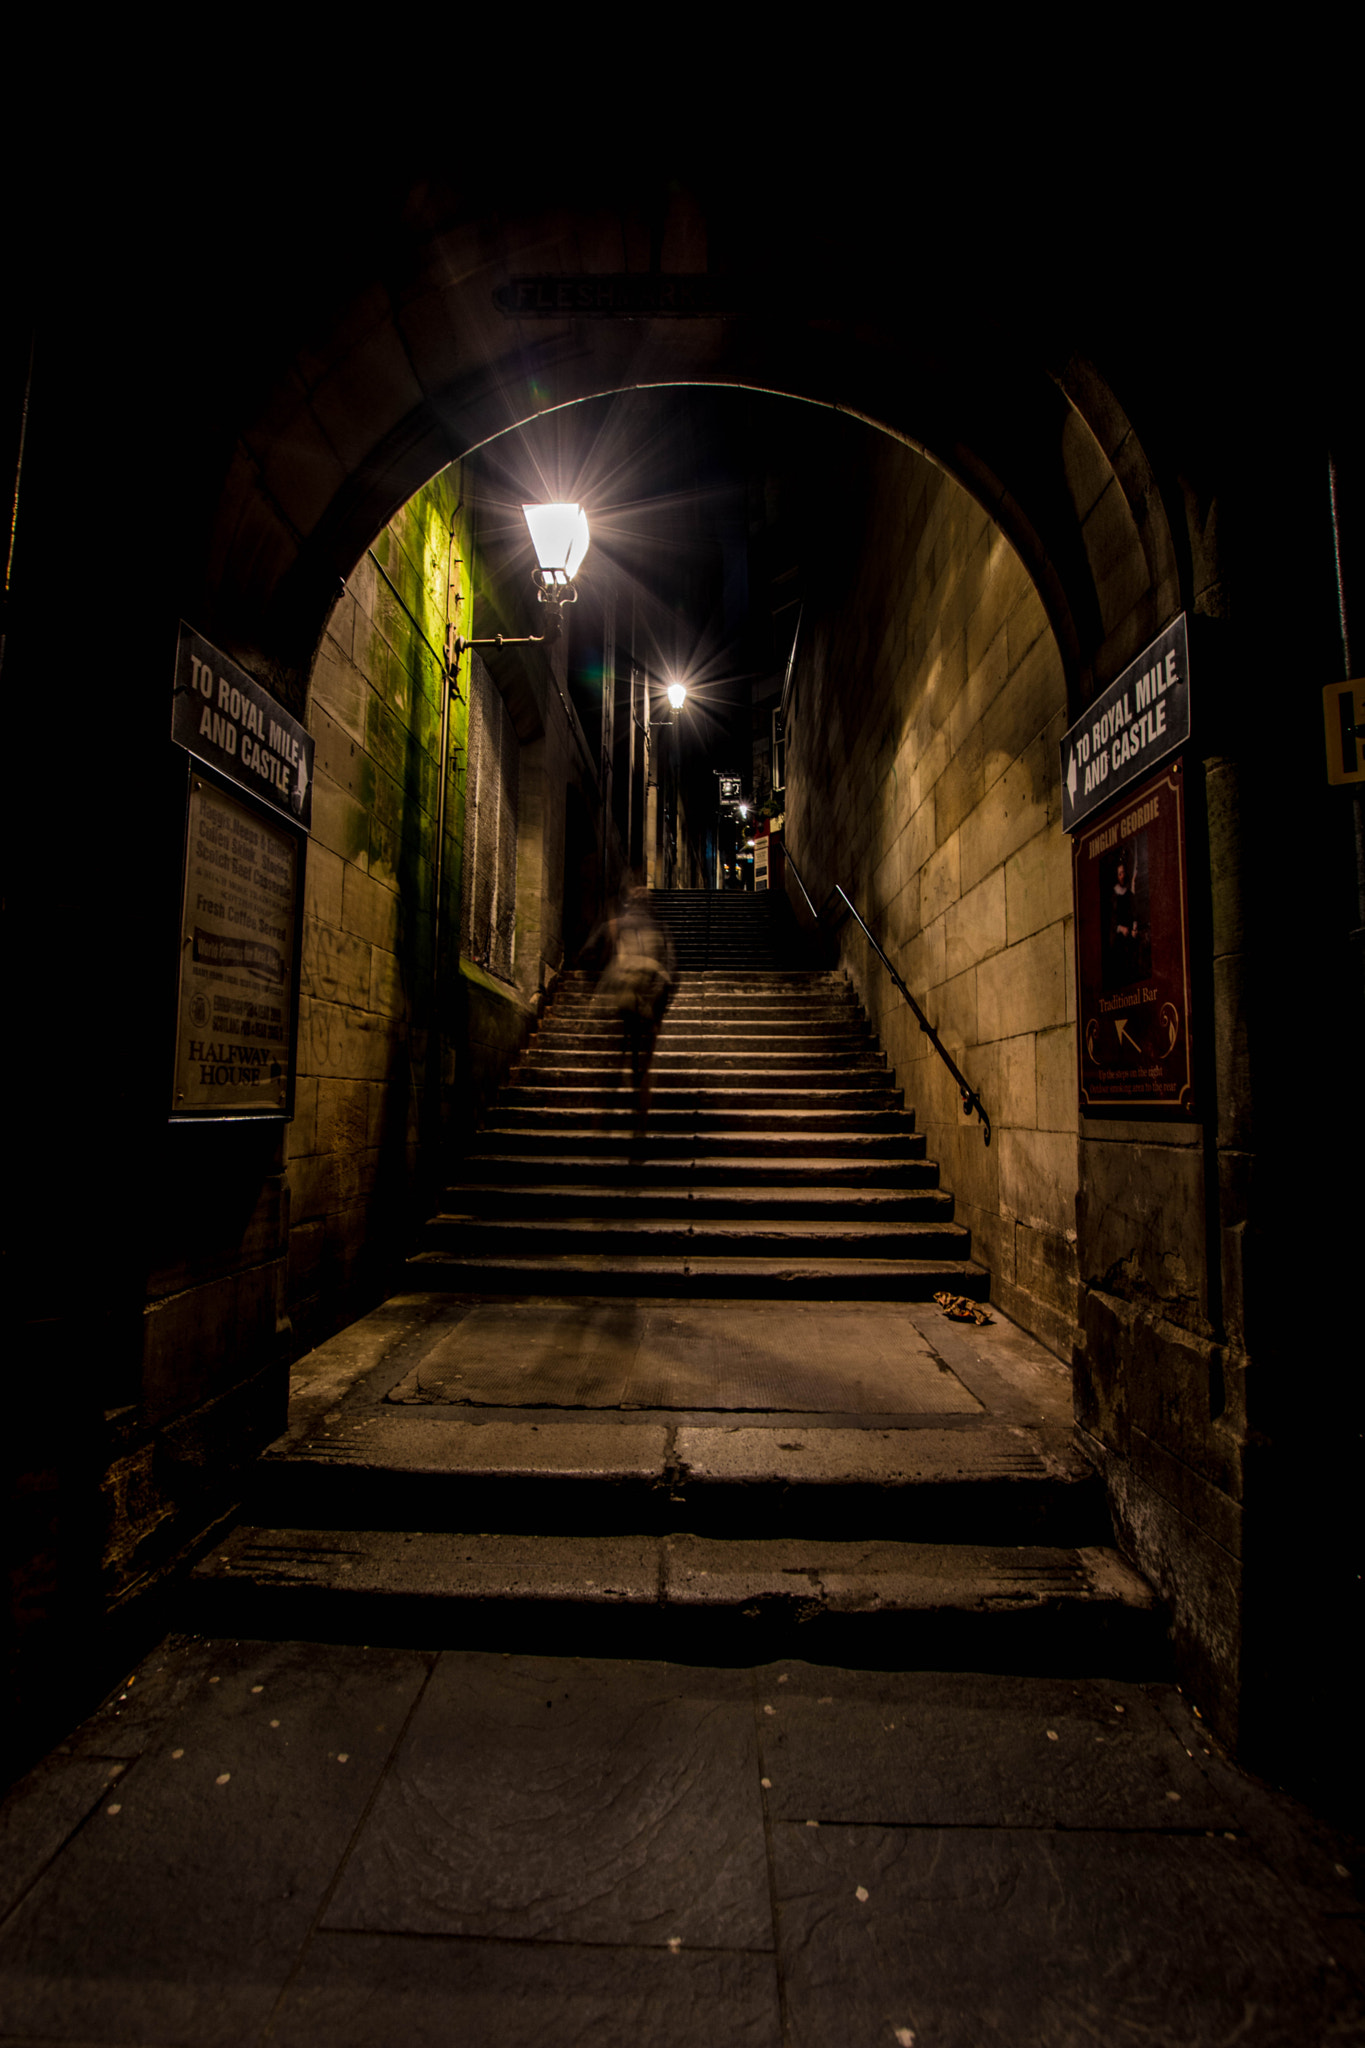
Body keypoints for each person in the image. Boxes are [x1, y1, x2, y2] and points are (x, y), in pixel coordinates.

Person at [595, 879, 673, 1122]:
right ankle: (641, 1110)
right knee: (646, 1057)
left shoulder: (615, 925)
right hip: (649, 1001)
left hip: (622, 998)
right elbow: (672, 969)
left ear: (629, 903)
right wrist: (662, 1005)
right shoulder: (659, 929)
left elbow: (587, 954)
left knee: (619, 1047)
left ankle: (606, 1110)